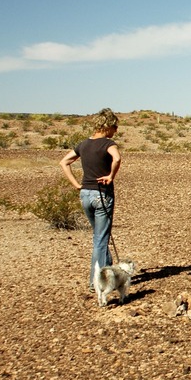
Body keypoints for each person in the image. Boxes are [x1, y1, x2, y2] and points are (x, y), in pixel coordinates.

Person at [59, 108, 122, 289]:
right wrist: (111, 176)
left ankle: (108, 271)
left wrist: (76, 184)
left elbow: (64, 162)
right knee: (101, 240)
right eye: (115, 126)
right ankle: (98, 282)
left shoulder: (83, 144)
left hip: (85, 194)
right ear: (107, 126)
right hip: (102, 195)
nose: (116, 130)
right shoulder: (108, 144)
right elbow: (117, 159)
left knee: (99, 237)